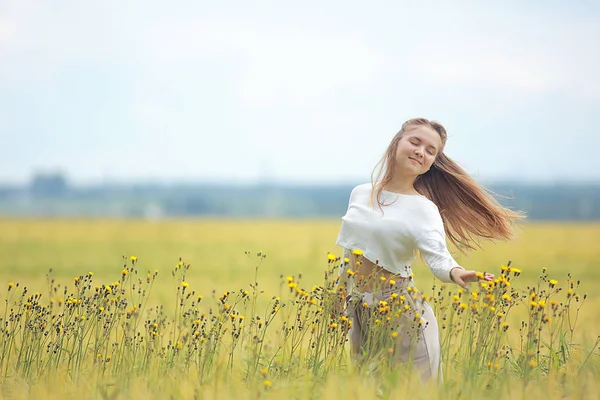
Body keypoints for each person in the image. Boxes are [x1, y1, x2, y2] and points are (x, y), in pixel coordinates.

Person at [334, 117, 524, 382]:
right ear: (397, 142)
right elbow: (350, 251)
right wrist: (338, 295)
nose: (420, 151)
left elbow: (438, 256)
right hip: (360, 309)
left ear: (432, 161)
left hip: (402, 314)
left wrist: (455, 271)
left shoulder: (423, 209)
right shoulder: (360, 193)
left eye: (430, 150)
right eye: (415, 141)